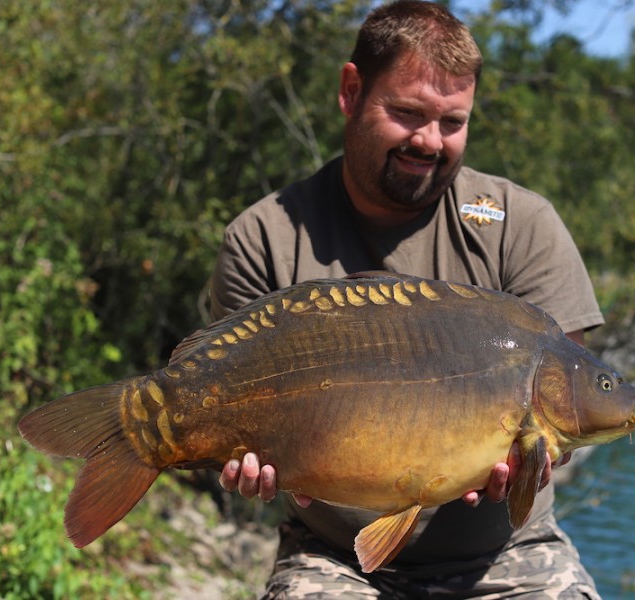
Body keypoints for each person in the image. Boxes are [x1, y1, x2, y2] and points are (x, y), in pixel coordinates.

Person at [209, 1, 604, 597]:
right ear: (350, 91)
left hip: (506, 552)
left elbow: (565, 403)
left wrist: (533, 462)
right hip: (332, 553)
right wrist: (242, 464)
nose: (429, 140)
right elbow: (224, 411)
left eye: (452, 122)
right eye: (407, 113)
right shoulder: (263, 238)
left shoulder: (521, 224)